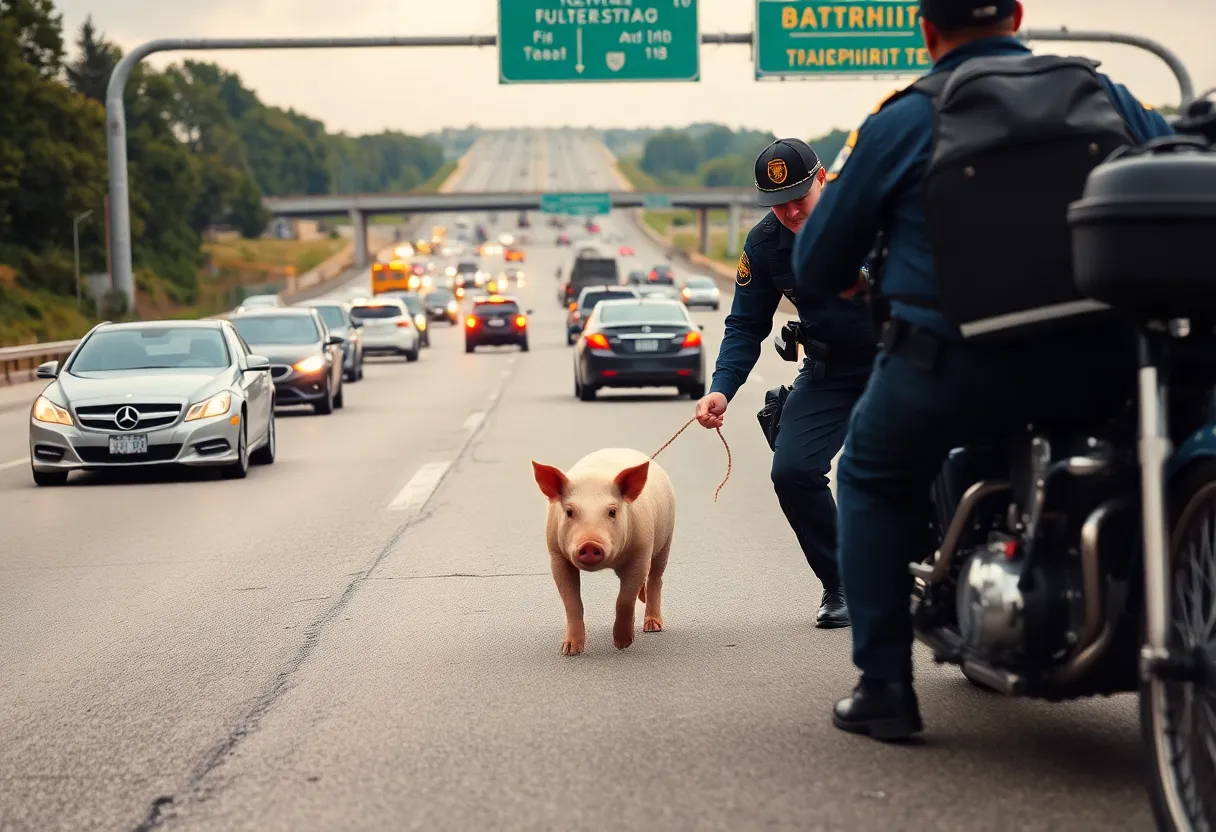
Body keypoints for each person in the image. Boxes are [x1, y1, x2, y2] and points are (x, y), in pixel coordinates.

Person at [791, 0, 1173, 740]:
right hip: (1104, 363)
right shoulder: (1109, 94)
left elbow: (817, 261)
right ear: (1019, 16)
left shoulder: (902, 120)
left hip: (955, 365)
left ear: (926, 30)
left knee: (870, 474)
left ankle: (885, 689)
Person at [695, 139, 877, 629]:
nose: (791, 210)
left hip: (900, 364)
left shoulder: (873, 218)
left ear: (823, 179)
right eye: (778, 202)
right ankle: (842, 584)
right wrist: (721, 388)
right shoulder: (764, 243)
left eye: (800, 195)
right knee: (791, 471)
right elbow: (744, 326)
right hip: (830, 372)